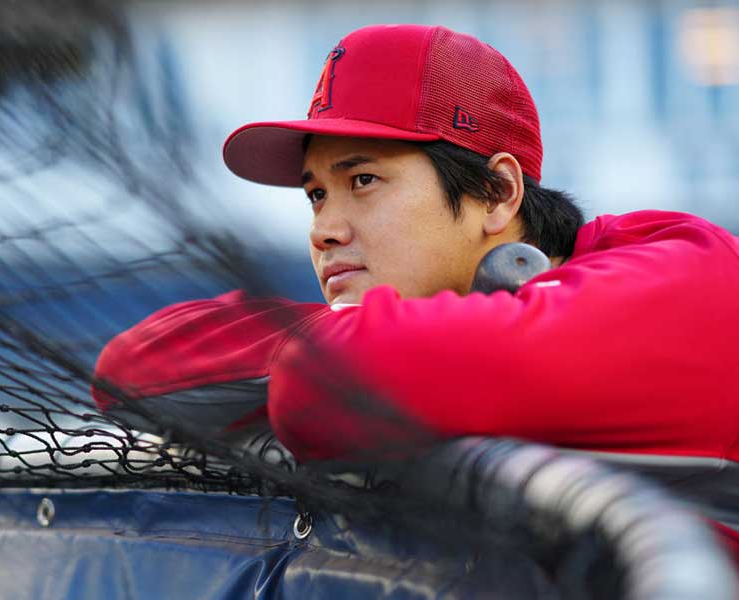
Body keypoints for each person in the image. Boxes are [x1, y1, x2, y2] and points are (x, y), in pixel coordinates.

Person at [92, 24, 739, 559]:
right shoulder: (440, 313)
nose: (324, 228)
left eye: (364, 180)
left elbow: (323, 385)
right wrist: (345, 337)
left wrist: (337, 346)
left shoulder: (686, 274)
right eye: (317, 194)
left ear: (498, 193)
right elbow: (126, 370)